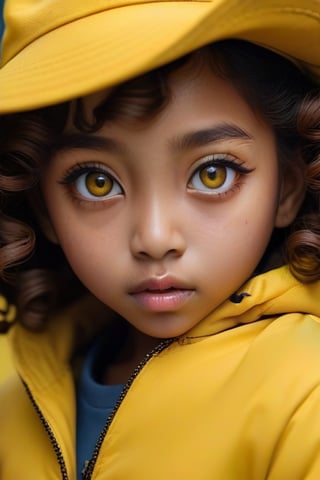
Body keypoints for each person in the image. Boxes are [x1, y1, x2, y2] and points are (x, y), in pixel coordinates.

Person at [0, 0, 320, 479]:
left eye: (213, 174)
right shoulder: (12, 376)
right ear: (44, 207)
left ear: (288, 188)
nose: (154, 238)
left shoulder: (305, 394)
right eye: (96, 182)